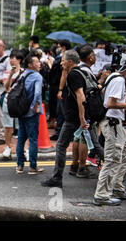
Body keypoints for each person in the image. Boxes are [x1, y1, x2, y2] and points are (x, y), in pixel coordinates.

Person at [41, 50, 87, 188]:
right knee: (95, 145)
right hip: (77, 117)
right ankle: (115, 170)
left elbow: (81, 96)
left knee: (60, 146)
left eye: (63, 61)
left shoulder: (73, 74)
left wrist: (81, 117)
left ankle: (57, 178)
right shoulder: (80, 71)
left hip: (73, 118)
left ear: (70, 62)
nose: (61, 63)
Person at [93, 56, 126, 206]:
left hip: (116, 123)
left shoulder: (116, 77)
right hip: (112, 123)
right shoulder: (119, 80)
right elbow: (110, 103)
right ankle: (102, 194)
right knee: (112, 159)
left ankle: (117, 186)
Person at [15, 52, 45, 175]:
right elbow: (37, 93)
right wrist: (35, 106)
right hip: (31, 112)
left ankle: (20, 166)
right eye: (37, 62)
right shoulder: (37, 76)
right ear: (30, 64)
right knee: (33, 139)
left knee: (21, 139)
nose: (39, 64)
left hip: (21, 110)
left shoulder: (22, 74)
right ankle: (33, 167)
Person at [77, 45, 105, 170]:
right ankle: (82, 167)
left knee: (78, 137)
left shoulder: (79, 69)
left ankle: (76, 164)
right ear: (90, 57)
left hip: (80, 110)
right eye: (94, 55)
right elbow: (90, 92)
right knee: (85, 139)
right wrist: (102, 81)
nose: (95, 58)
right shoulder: (86, 71)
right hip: (87, 111)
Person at [1, 50, 25, 159]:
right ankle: (8, 147)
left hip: (20, 102)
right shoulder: (6, 72)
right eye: (10, 58)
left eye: (13, 58)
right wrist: (11, 75)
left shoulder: (25, 72)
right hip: (9, 101)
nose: (11, 60)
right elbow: (6, 87)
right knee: (8, 126)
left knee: (21, 126)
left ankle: (22, 148)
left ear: (19, 60)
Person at [48, 39, 71, 140]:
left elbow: (62, 74)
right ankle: (61, 132)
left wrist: (60, 89)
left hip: (63, 88)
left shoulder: (66, 58)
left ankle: (60, 133)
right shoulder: (63, 57)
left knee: (61, 111)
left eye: (58, 46)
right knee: (60, 111)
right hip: (59, 87)